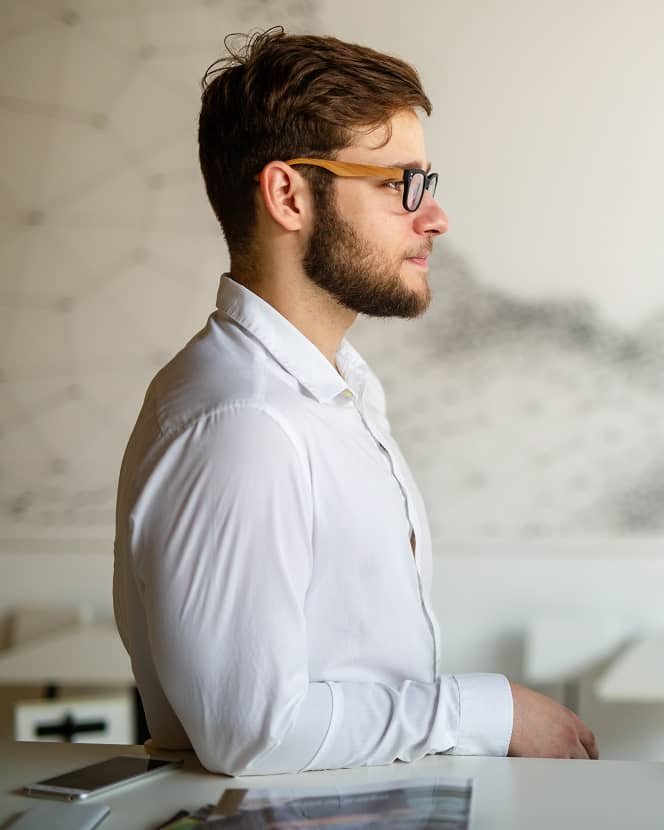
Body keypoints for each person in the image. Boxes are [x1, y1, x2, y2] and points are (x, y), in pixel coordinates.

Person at [113, 29, 597, 775]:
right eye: (398, 184)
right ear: (287, 195)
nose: (433, 218)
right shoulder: (244, 423)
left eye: (426, 184)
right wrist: (489, 710)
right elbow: (252, 732)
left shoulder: (335, 394)